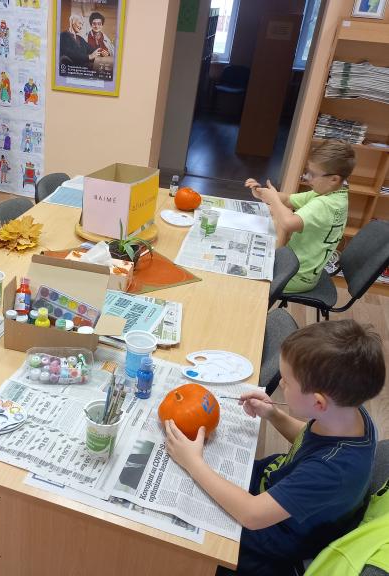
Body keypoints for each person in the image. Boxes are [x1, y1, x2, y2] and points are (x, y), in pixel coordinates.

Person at [164, 320, 385, 576]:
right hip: (270, 484)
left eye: (288, 383)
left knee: (177, 540)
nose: (281, 384)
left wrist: (193, 463)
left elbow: (252, 515)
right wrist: (274, 415)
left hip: (270, 539)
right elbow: (308, 438)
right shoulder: (348, 414)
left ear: (318, 403)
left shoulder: (332, 471)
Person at [245, 139, 354, 293]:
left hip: (295, 275)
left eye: (313, 174)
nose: (307, 178)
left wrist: (274, 198)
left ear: (333, 179)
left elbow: (288, 222)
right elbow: (289, 200)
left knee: (242, 276)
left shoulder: (325, 205)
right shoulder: (335, 193)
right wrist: (263, 193)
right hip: (298, 268)